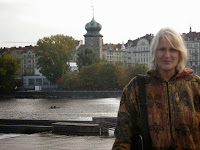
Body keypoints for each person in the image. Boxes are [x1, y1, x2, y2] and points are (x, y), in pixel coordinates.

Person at [112, 27, 200, 150]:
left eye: (173, 50)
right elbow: (122, 140)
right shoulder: (136, 88)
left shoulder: (196, 85)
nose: (167, 55)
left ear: (180, 53)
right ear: (154, 52)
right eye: (162, 49)